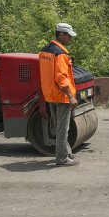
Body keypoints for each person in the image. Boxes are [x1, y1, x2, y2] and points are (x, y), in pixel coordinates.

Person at [39, 23, 80, 166]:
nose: (70, 38)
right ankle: (62, 159)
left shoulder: (44, 51)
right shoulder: (60, 54)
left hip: (50, 95)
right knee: (63, 129)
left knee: (58, 126)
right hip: (61, 95)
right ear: (61, 34)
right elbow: (61, 77)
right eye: (69, 36)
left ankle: (66, 153)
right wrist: (71, 96)